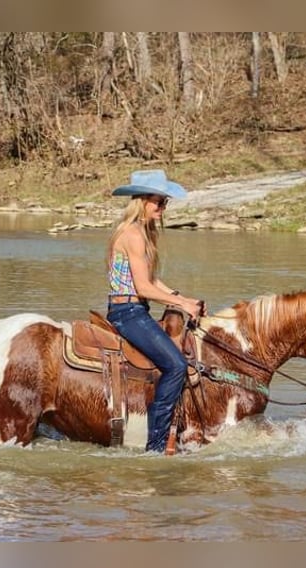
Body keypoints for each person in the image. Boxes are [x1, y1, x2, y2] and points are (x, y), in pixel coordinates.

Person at [106, 169, 205, 453]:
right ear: (141, 201)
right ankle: (157, 445)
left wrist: (182, 299)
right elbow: (143, 288)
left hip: (136, 308)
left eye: (165, 202)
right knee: (175, 366)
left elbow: (151, 281)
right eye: (158, 201)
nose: (163, 208)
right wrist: (182, 304)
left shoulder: (143, 232)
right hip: (128, 312)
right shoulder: (132, 234)